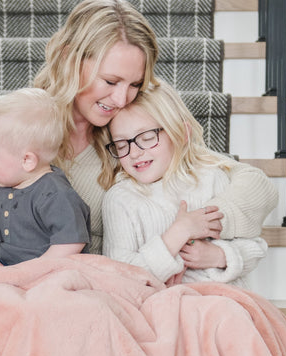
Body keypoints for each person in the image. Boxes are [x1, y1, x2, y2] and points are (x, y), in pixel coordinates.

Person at [0, 0, 277, 348]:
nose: (120, 97)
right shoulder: (6, 120)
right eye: (110, 80)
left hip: (74, 298)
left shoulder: (128, 134)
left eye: (134, 84)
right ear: (74, 60)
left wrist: (206, 229)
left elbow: (249, 181)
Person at [101, 80, 273, 287]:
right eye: (121, 145)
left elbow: (254, 246)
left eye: (147, 138)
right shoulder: (120, 200)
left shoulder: (211, 178)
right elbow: (120, 276)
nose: (135, 152)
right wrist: (177, 233)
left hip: (220, 300)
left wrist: (220, 255)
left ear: (182, 134)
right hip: (158, 305)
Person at [0, 88, 90, 266]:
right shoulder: (6, 181)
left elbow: (71, 242)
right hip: (7, 265)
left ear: (27, 160)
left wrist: (35, 269)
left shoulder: (55, 194)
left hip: (50, 271)